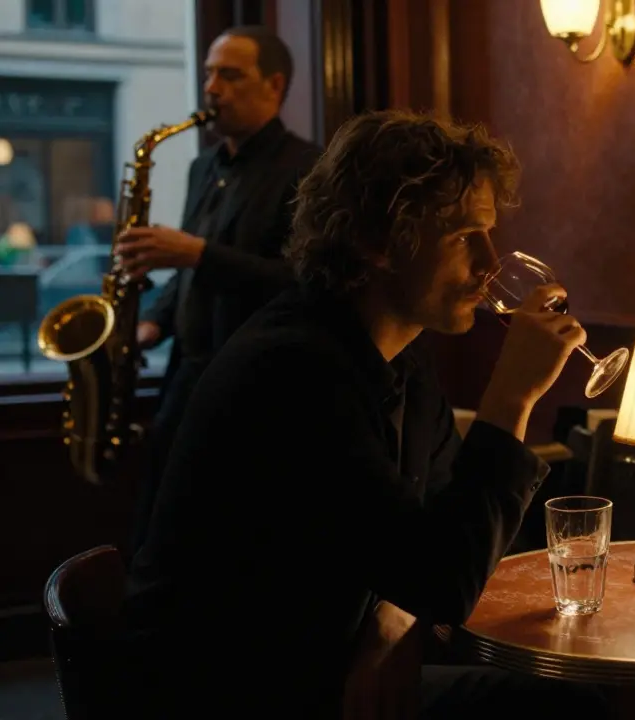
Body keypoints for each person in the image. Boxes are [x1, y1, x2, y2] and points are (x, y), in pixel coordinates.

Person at [121, 110, 605, 718]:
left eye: (488, 233)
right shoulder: (294, 370)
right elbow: (446, 579)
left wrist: (389, 618)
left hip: (321, 665)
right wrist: (512, 397)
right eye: (461, 236)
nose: (488, 263)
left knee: (568, 704)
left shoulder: (404, 356)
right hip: (225, 689)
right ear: (377, 241)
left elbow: (432, 532)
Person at [116, 25, 322, 559]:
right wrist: (152, 323)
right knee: (162, 530)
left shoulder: (307, 167)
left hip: (257, 390)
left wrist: (196, 254)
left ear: (274, 86)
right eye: (209, 73)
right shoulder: (201, 167)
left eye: (230, 75)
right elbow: (189, 272)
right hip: (187, 373)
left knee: (225, 541)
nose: (211, 87)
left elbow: (303, 281)